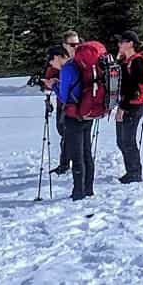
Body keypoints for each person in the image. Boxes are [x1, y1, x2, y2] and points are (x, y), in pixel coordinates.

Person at [56, 36, 96, 200]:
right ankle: (88, 189)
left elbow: (65, 97)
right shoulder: (85, 64)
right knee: (86, 152)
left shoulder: (69, 68)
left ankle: (78, 191)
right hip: (89, 111)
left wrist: (54, 86)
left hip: (75, 114)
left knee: (77, 154)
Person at [114, 32, 143, 183]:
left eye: (121, 42)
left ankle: (135, 173)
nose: (119, 44)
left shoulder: (137, 62)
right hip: (126, 104)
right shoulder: (125, 61)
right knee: (122, 140)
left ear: (130, 43)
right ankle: (132, 171)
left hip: (133, 106)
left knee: (127, 140)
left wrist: (123, 107)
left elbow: (134, 87)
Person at [46, 30, 80, 176]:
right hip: (64, 105)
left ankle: (72, 166)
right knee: (63, 133)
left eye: (78, 43)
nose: (76, 47)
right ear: (64, 45)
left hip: (77, 106)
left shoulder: (80, 60)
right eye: (72, 44)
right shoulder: (58, 59)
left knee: (73, 137)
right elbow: (49, 77)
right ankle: (65, 163)